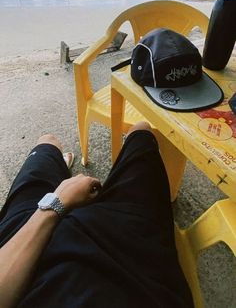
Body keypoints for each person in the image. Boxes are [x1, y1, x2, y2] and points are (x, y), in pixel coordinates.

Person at [0, 122, 193, 308]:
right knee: (142, 132)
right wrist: (57, 201)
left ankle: (55, 162)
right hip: (129, 254)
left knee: (46, 143)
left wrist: (57, 202)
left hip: (23, 240)